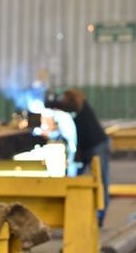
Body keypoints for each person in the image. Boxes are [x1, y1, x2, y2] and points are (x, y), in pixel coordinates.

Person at [46, 89, 110, 226]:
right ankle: (69, 212)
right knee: (72, 179)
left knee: (101, 181)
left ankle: (100, 217)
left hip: (97, 145)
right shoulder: (75, 108)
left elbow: (63, 106)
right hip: (85, 147)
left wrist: (48, 102)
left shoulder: (79, 106)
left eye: (64, 99)